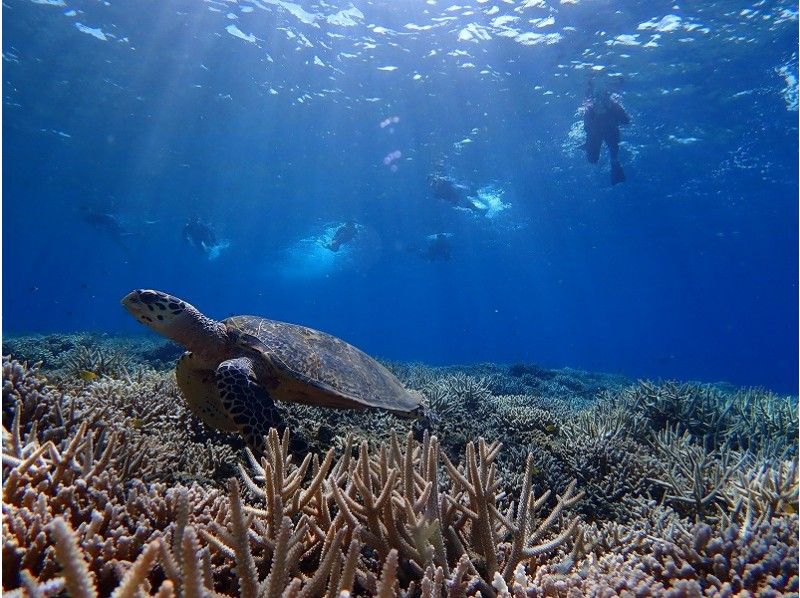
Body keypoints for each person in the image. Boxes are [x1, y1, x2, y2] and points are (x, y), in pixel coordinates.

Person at [582, 84, 630, 185]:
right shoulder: (589, 110)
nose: (600, 102)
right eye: (597, 98)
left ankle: (616, 171)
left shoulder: (613, 106)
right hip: (597, 133)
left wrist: (616, 110)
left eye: (603, 98)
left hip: (611, 132)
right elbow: (586, 128)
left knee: (613, 157)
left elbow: (626, 120)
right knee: (592, 159)